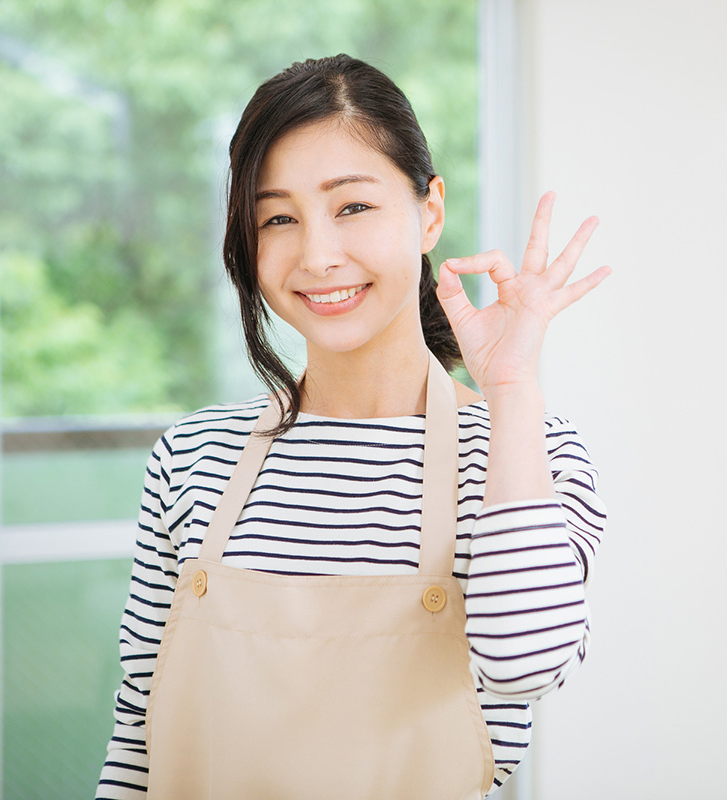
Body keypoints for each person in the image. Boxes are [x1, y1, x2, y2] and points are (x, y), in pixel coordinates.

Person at [95, 54, 609, 800]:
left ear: (429, 211)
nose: (317, 256)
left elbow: (527, 663)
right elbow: (138, 738)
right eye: (278, 218)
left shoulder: (525, 451)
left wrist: (512, 389)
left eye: (352, 207)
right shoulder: (193, 456)